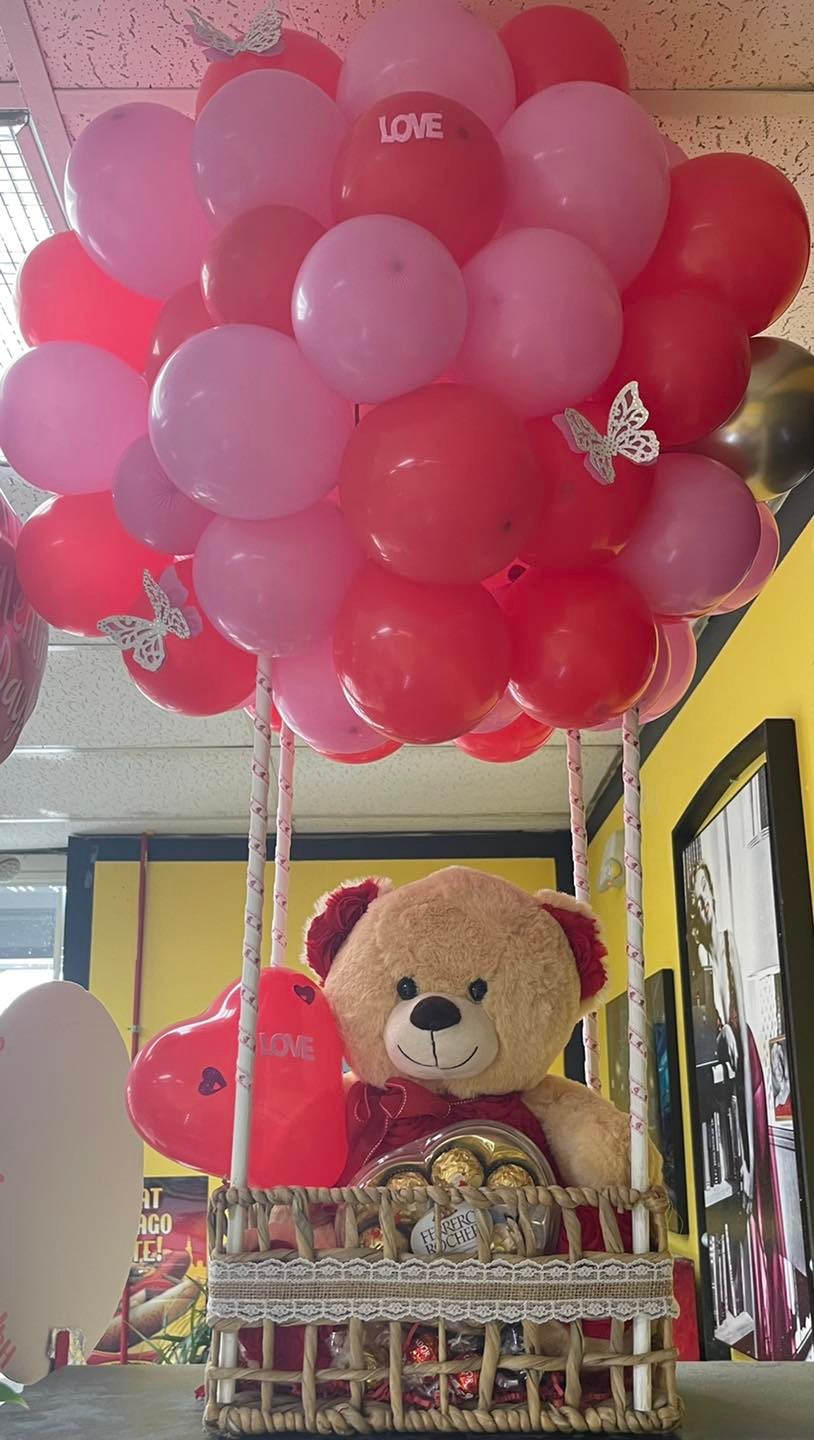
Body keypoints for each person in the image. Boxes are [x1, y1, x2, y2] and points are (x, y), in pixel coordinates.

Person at [687, 860, 795, 1359]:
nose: (703, 904)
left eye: (706, 894)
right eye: (697, 898)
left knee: (759, 1186)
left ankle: (780, 1308)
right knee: (744, 1199)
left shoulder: (725, 946)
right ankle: (763, 1310)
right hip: (727, 1088)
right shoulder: (695, 961)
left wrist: (730, 1038)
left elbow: (735, 1023)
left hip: (747, 1075)